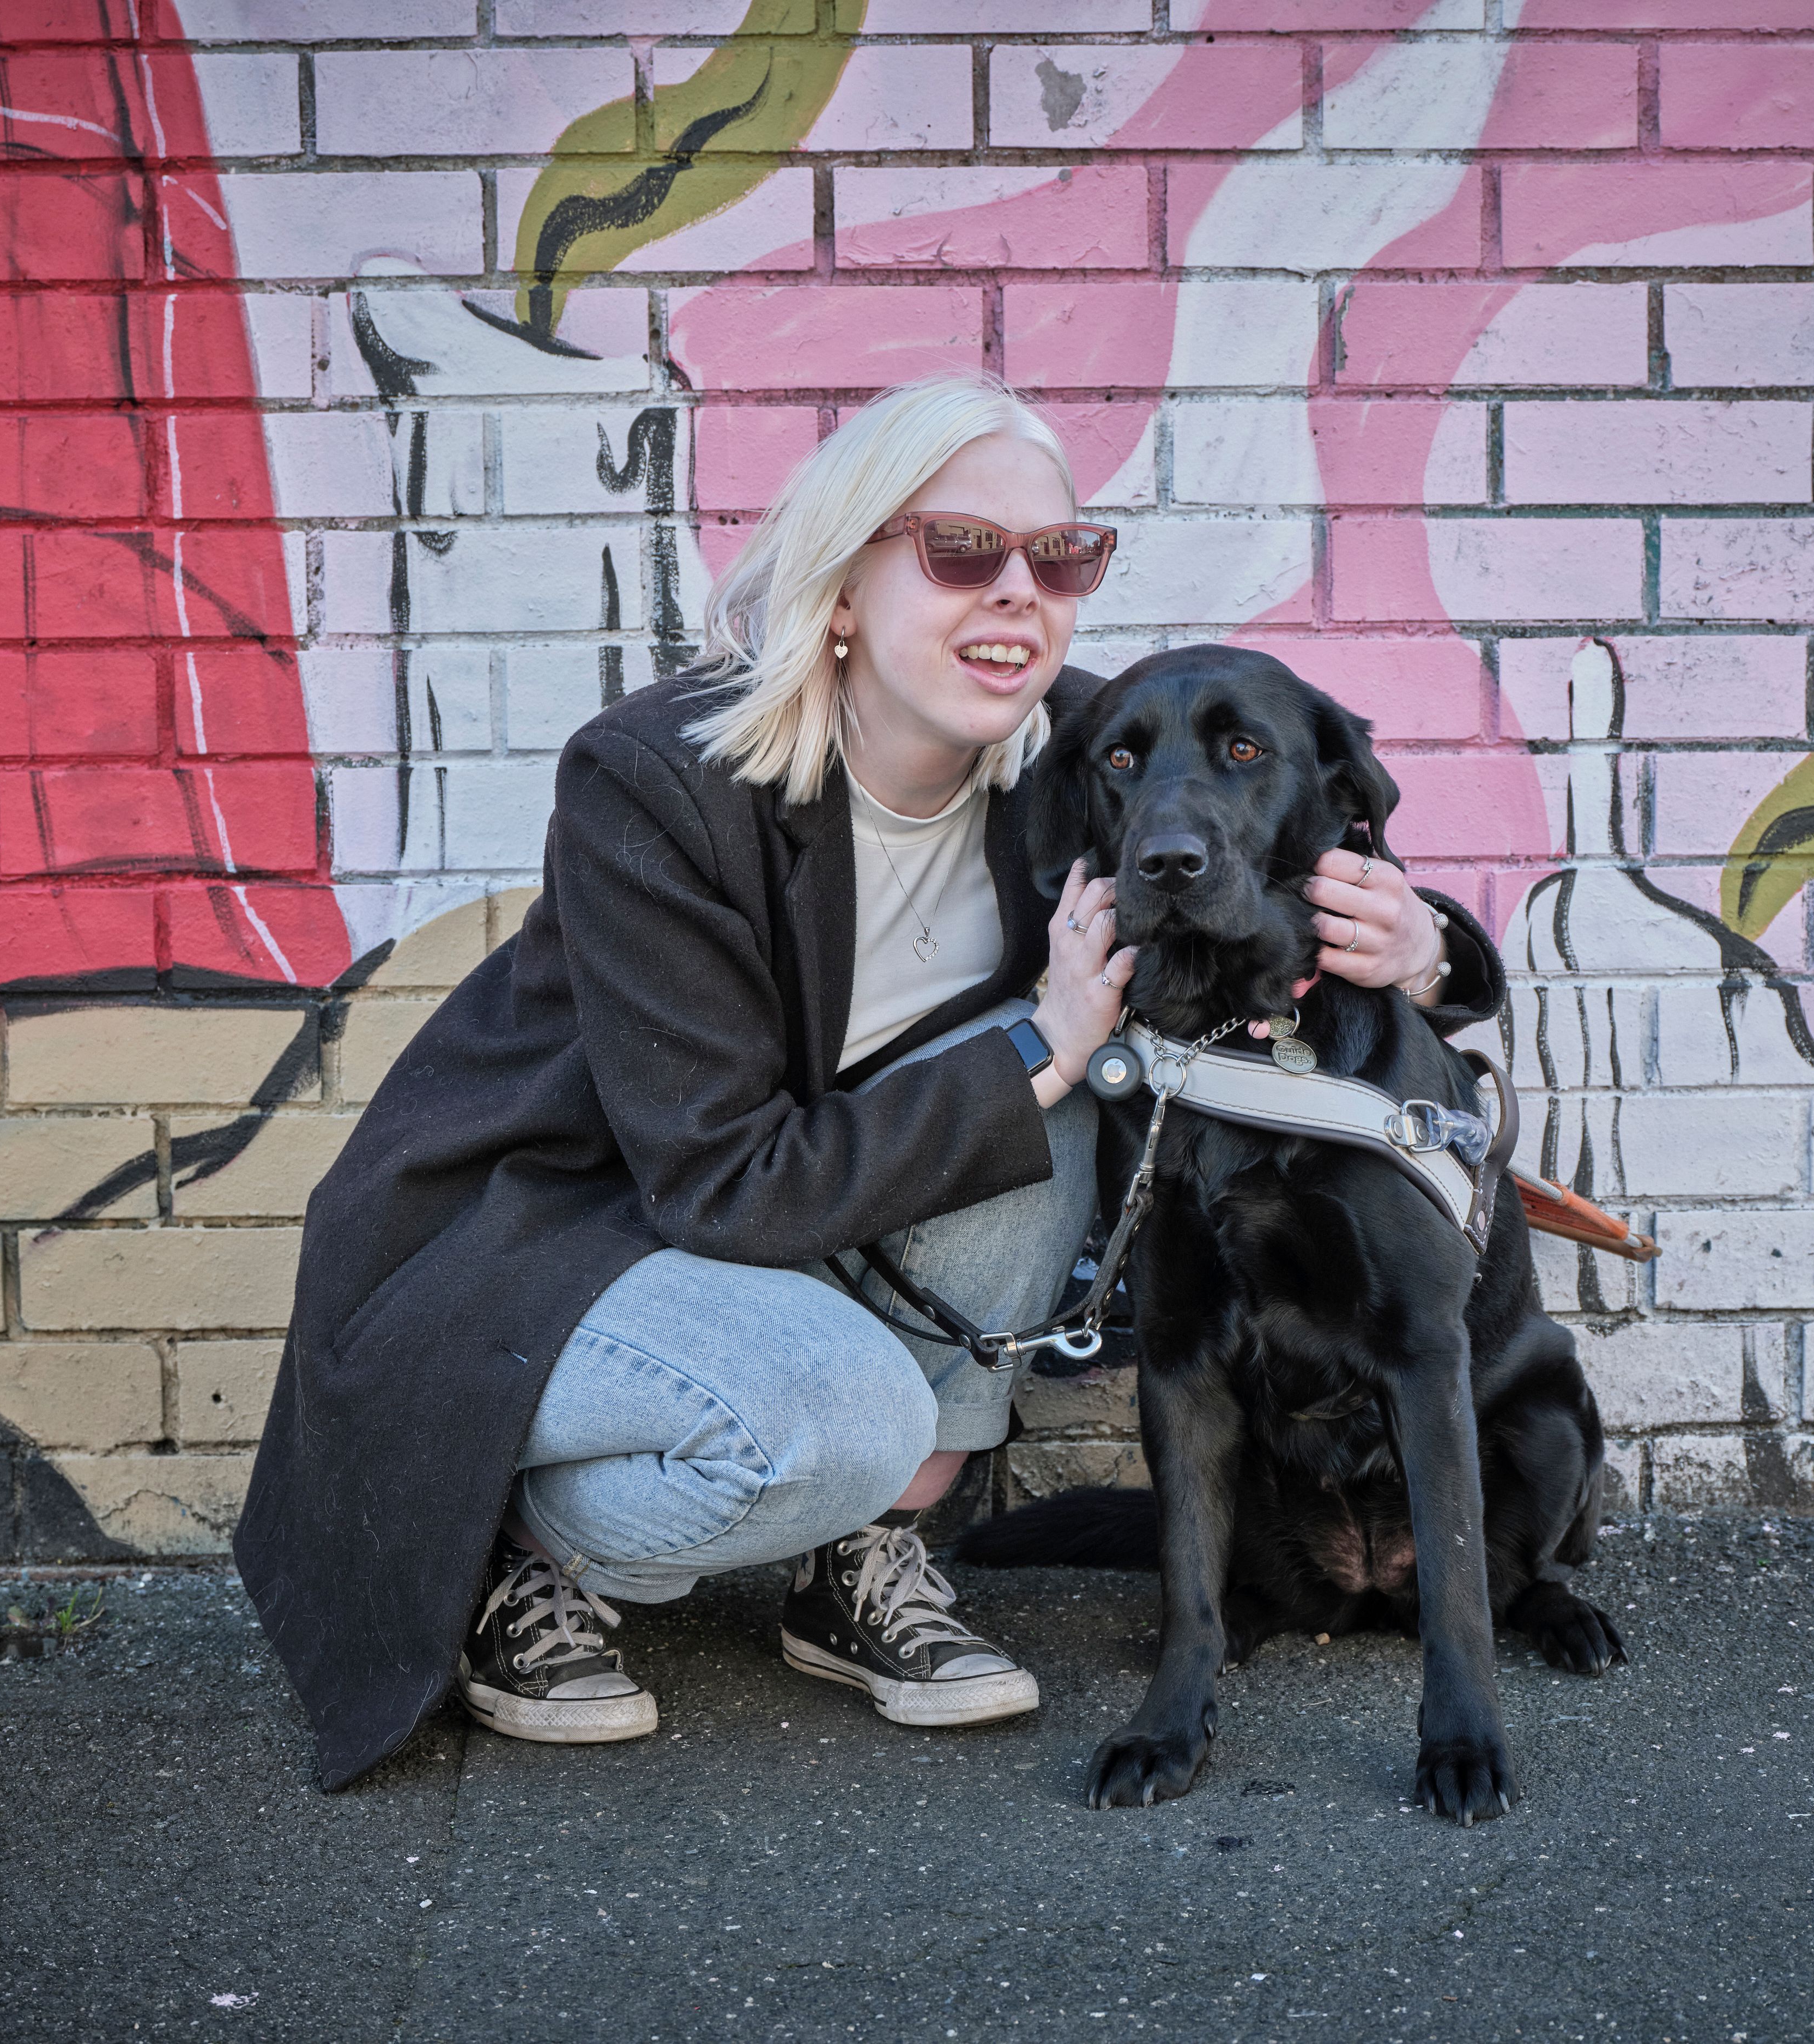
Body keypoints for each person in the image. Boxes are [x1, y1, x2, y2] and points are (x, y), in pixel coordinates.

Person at [232, 373, 1499, 1790]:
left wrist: (1426, 947)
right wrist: (1043, 1038)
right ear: (842, 587)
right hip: (550, 1242)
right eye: (962, 551)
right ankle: (513, 1556)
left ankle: (857, 1557)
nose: (1018, 591)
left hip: (792, 1219)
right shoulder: (660, 781)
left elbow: (1273, 837)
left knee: (1046, 1098)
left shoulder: (1082, 755)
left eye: (1061, 557)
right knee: (848, 1391)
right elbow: (718, 1176)